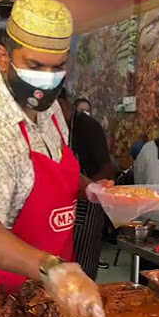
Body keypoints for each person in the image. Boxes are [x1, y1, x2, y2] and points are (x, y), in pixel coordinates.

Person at [0, 0, 113, 317]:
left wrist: (89, 189)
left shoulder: (46, 105)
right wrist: (56, 270)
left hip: (38, 285)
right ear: (4, 57)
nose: (46, 78)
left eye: (57, 67)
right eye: (35, 66)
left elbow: (53, 166)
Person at [58, 89, 115, 278]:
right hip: (62, 204)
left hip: (88, 207)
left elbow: (107, 169)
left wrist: (88, 188)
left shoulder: (88, 127)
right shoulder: (53, 128)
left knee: (82, 269)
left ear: (62, 104)